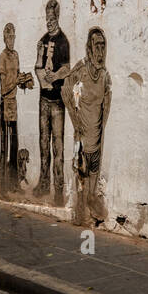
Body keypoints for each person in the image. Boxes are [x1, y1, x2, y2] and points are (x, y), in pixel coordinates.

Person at [61, 28, 112, 227]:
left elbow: (106, 103)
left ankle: (92, 206)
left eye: (102, 46)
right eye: (96, 46)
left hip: (97, 136)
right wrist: (76, 121)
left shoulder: (105, 75)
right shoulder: (81, 70)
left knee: (93, 174)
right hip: (81, 136)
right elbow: (66, 89)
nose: (100, 51)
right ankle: (81, 213)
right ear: (89, 49)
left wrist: (102, 129)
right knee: (81, 174)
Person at [33, 0, 71, 206]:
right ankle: (44, 182)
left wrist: (54, 76)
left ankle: (58, 189)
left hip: (57, 101)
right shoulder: (43, 40)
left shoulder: (63, 41)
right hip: (43, 99)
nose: (49, 22)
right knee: (42, 143)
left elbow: (67, 68)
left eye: (52, 18)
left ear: (57, 17)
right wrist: (40, 58)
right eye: (47, 18)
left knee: (57, 145)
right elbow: (37, 66)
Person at [0, 23, 33, 196]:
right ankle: (3, 185)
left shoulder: (16, 55)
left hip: (14, 105)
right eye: (8, 36)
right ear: (4, 38)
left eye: (13, 36)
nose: (11, 39)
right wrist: (15, 82)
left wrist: (26, 80)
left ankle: (13, 183)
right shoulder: (2, 57)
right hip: (5, 104)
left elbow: (17, 77)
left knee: (14, 146)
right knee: (5, 146)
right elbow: (4, 87)